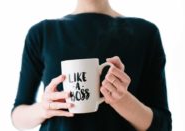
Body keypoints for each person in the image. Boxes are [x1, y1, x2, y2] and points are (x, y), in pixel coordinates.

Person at [11, 0, 172, 130]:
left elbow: (162, 125)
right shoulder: (41, 33)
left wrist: (122, 100)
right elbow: (17, 116)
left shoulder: (145, 34)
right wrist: (43, 109)